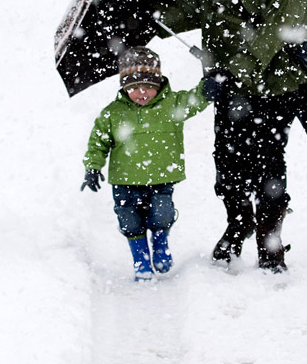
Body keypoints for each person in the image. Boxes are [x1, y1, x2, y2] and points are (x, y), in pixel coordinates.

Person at [162, 0, 307, 272]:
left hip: (277, 81)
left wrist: (234, 70)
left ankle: (270, 243)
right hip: (230, 81)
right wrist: (159, 12)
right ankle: (238, 223)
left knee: (268, 163)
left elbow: (280, 28)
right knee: (229, 159)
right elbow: (207, 6)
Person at [81, 47, 210, 281]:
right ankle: (140, 261)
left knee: (162, 214)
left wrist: (209, 84)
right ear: (124, 87)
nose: (142, 93)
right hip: (124, 180)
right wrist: (93, 167)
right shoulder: (113, 113)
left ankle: (160, 245)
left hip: (161, 177)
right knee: (130, 221)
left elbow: (196, 100)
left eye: (149, 86)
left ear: (159, 84)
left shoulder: (172, 104)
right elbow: (98, 142)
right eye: (134, 88)